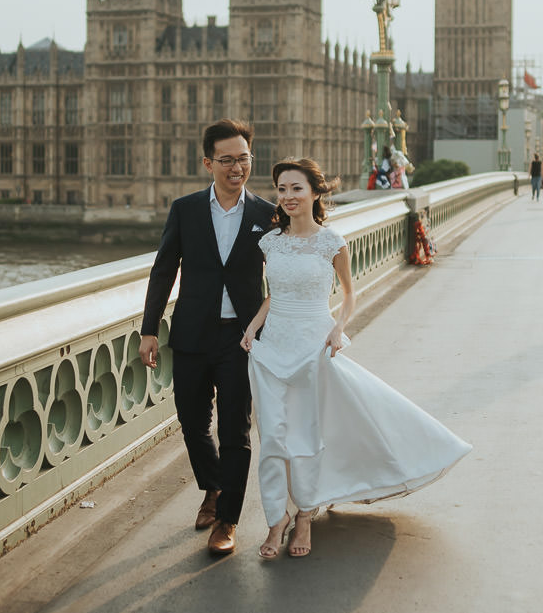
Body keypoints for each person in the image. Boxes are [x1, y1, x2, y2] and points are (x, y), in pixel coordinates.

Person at [241, 158, 471, 559]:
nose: (288, 196)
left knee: (307, 435)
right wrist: (252, 325)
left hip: (314, 344)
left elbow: (348, 295)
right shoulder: (269, 243)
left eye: (296, 188)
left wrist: (337, 328)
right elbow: (276, 292)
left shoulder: (332, 242)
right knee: (274, 436)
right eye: (281, 189)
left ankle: (305, 517)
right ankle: (276, 518)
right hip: (272, 345)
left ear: (315, 192)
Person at [138, 119, 276, 555]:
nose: (237, 167)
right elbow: (163, 272)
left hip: (242, 337)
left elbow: (289, 272)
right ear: (208, 163)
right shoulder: (185, 209)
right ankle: (212, 488)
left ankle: (228, 521)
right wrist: (148, 329)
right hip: (193, 334)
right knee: (193, 422)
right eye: (228, 159)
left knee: (235, 431)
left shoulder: (267, 214)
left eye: (244, 158)